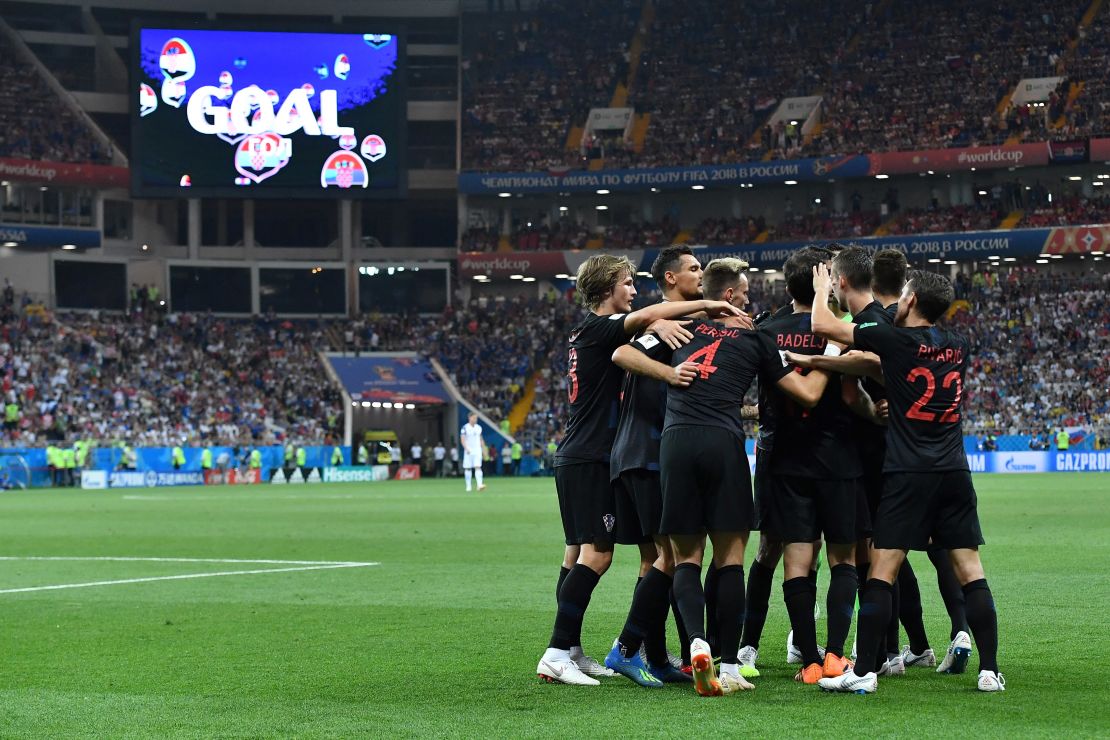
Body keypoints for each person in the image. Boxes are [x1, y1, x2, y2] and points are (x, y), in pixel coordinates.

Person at [621, 257, 833, 696]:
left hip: (676, 443)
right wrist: (830, 352)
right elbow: (807, 394)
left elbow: (620, 352)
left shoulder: (676, 328)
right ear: (731, 297)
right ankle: (730, 662)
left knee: (686, 557)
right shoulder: (756, 337)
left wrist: (668, 370)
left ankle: (696, 643)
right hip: (723, 443)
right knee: (731, 558)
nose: (750, 301)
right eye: (746, 293)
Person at [537, 253, 745, 687]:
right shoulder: (604, 329)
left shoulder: (585, 332)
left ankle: (575, 649)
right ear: (607, 287)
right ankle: (565, 650)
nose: (633, 291)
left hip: (585, 453)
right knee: (608, 555)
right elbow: (637, 333)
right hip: (597, 455)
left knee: (584, 553)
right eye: (627, 283)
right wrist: (705, 307)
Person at [809, 264, 1005, 694]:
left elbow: (823, 324)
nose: (896, 302)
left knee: (881, 571)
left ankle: (862, 673)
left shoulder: (893, 339)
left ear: (912, 300)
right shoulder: (959, 344)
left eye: (904, 295)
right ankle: (990, 671)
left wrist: (823, 289)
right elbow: (895, 376)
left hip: (907, 473)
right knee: (971, 569)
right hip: (954, 470)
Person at [751, 247, 870, 685]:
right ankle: (837, 654)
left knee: (796, 561)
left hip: (786, 460)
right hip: (840, 458)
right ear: (828, 280)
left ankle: (808, 661)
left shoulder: (766, 330)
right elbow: (855, 395)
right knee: (843, 559)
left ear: (787, 286)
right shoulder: (841, 330)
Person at [604, 245, 712, 686]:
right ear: (670, 279)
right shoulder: (666, 323)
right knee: (673, 557)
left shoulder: (673, 323)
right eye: (692, 268)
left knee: (655, 560)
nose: (699, 273)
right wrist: (670, 375)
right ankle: (627, 648)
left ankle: (657, 656)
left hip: (634, 453)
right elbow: (623, 356)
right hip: (648, 454)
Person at [461, 413, 486, 491]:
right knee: (468, 468)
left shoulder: (479, 428)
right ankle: (468, 486)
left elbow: (481, 439)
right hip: (468, 450)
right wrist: (466, 448)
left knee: (478, 467)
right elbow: (462, 439)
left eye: (476, 418)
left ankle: (479, 485)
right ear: (470, 418)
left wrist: (484, 449)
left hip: (477, 450)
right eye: (474, 418)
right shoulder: (465, 428)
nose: (475, 420)